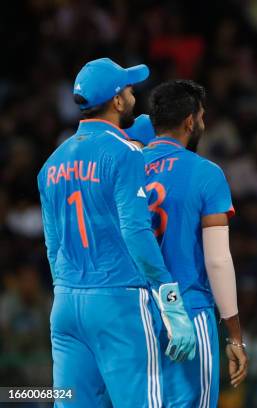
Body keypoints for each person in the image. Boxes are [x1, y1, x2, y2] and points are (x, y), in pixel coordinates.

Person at [37, 58, 196, 408]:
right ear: (118, 101)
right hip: (118, 302)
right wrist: (170, 302)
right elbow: (136, 231)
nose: (131, 92)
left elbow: (52, 247)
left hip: (65, 302)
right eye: (128, 88)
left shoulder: (50, 163)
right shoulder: (124, 155)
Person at [143, 80, 248, 407]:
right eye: (201, 116)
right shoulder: (206, 172)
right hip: (189, 311)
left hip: (136, 314)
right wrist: (235, 335)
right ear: (190, 121)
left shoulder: (127, 167)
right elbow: (217, 260)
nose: (202, 123)